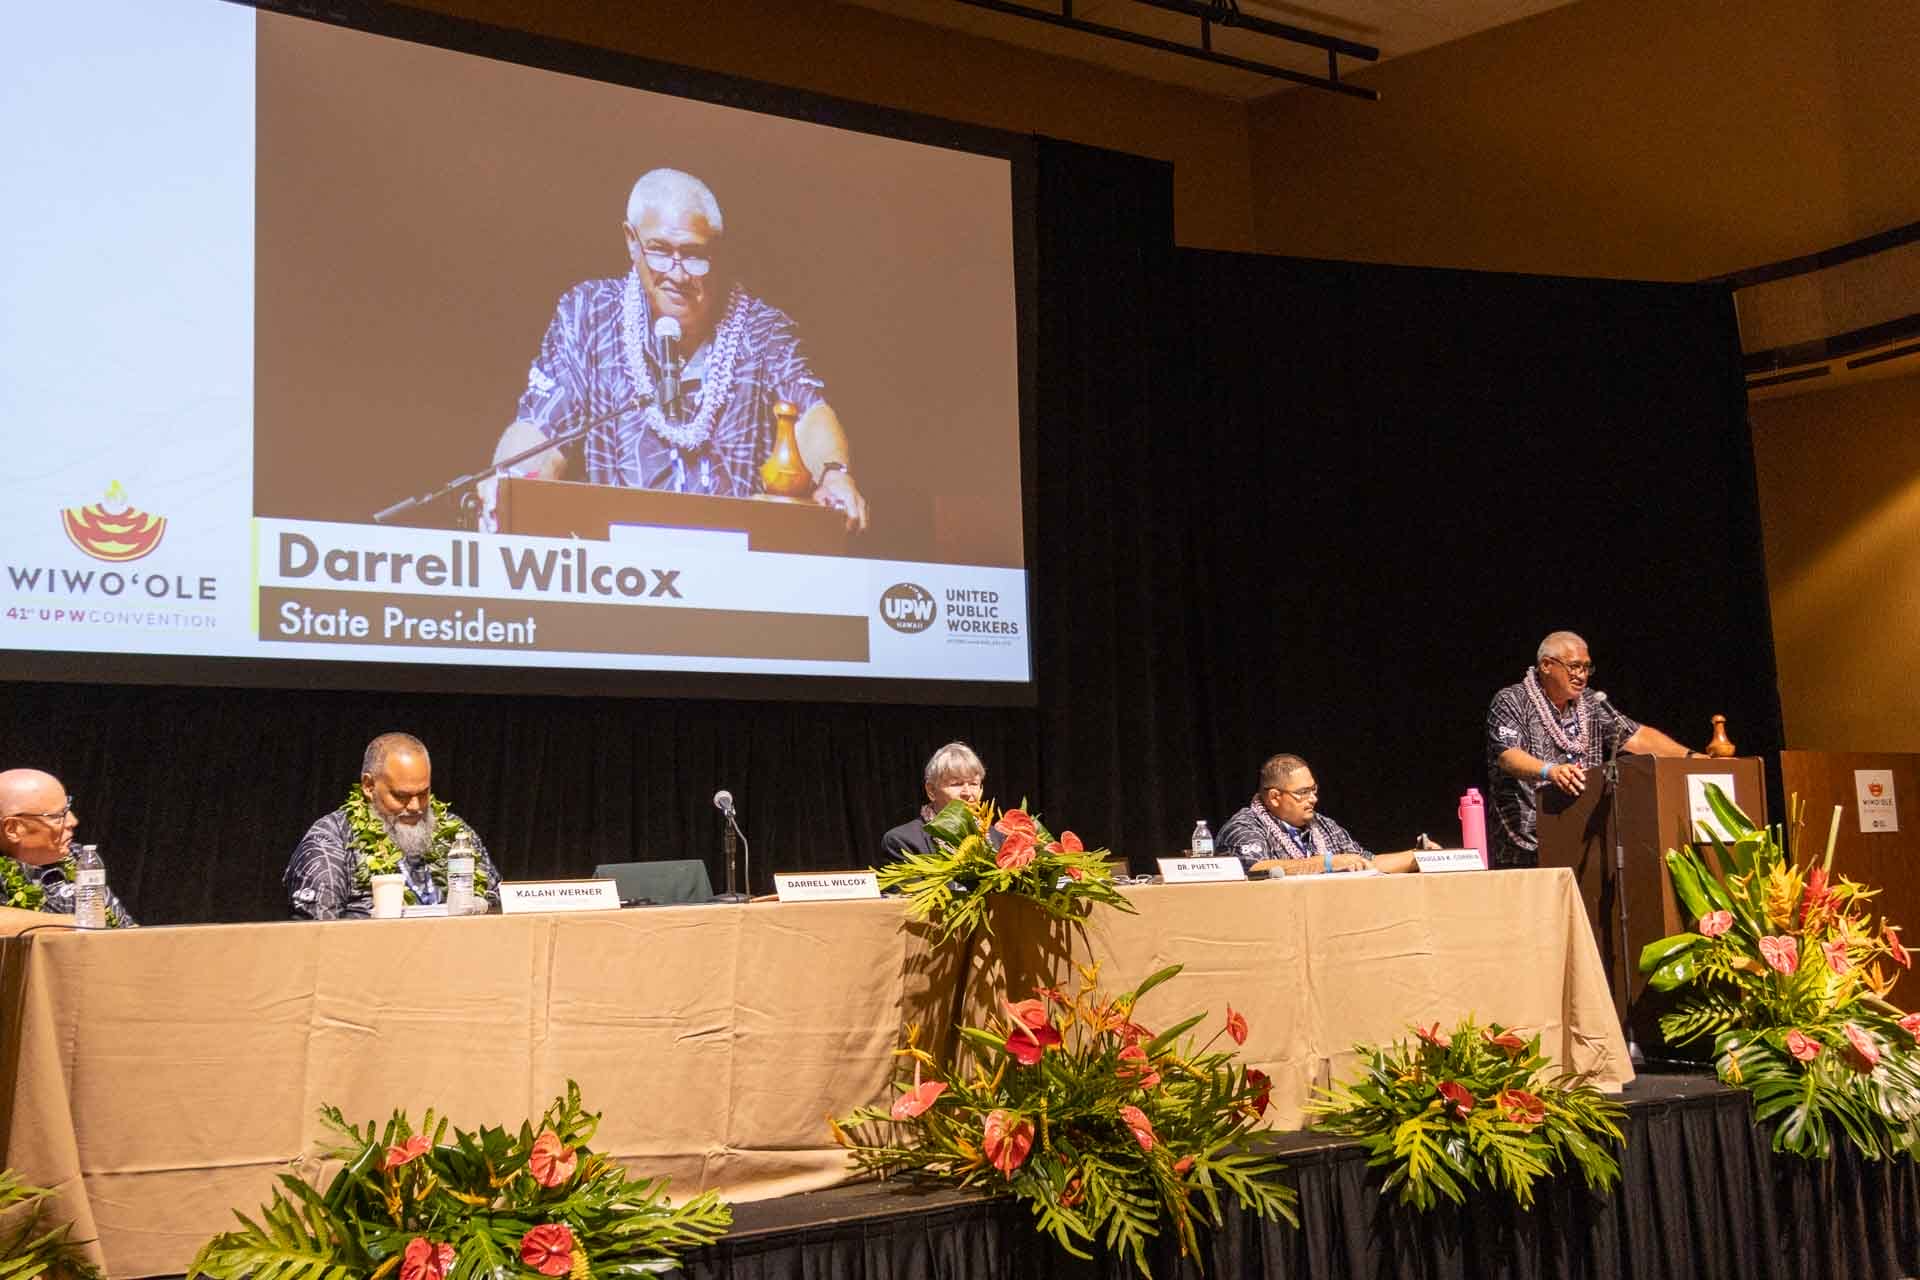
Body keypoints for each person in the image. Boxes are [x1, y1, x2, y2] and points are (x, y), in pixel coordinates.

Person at [485, 167, 869, 530]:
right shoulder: (588, 314)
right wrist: (511, 485)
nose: (678, 272)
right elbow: (543, 428)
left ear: (717, 252)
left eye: (694, 254)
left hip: (736, 555)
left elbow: (808, 413)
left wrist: (834, 475)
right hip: (620, 559)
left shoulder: (761, 329)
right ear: (631, 241)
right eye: (659, 250)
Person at [1485, 629, 1696, 868]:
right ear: (1546, 665)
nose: (1582, 675)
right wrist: (1550, 771)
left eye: (1586, 667)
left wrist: (1691, 757)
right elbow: (1507, 755)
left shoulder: (1591, 702)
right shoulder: (1511, 700)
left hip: (1582, 841)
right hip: (1526, 849)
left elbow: (1635, 736)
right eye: (1574, 666)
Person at [285, 733, 501, 919]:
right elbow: (319, 933)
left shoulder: (455, 834)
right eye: (401, 796)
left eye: (423, 794)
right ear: (369, 786)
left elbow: (499, 902)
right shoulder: (330, 842)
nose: (416, 807)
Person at [1217, 754, 1415, 876]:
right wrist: (1327, 863)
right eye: (1303, 792)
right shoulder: (1244, 827)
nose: (1313, 799)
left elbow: (1366, 862)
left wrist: (1418, 857)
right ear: (1275, 797)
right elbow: (1255, 868)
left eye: (1313, 789)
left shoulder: (1323, 825)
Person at [0, 769, 137, 925]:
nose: (73, 821)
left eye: (67, 809)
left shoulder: (79, 858)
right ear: (13, 829)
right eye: (58, 816)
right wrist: (81, 923)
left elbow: (124, 927)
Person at [880, 741, 988, 862]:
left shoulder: (997, 838)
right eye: (956, 784)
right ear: (931, 790)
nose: (967, 793)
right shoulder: (902, 841)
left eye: (974, 783)